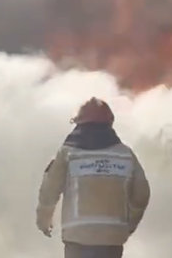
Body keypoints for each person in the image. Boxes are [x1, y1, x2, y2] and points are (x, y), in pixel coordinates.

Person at [36, 97, 151, 258]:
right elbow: (141, 194)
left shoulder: (68, 153)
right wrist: (128, 225)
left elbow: (50, 189)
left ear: (79, 123)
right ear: (110, 123)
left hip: (77, 237)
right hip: (112, 239)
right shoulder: (125, 154)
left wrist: (43, 219)